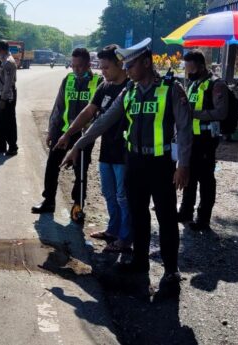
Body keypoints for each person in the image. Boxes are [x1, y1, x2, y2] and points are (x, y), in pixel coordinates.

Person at [61, 38, 192, 283]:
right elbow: (103, 121)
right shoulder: (129, 91)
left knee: (166, 217)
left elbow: (184, 129)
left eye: (131, 65)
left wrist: (183, 165)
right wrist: (77, 145)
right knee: (138, 214)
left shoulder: (171, 88)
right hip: (134, 162)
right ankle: (140, 261)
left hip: (161, 163)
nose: (128, 69)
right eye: (126, 65)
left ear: (146, 62)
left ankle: (171, 270)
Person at [55, 44, 131, 251]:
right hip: (107, 150)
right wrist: (68, 134)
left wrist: (78, 143)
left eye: (106, 68)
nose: (102, 72)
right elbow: (89, 112)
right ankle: (113, 230)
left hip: (125, 153)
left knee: (123, 196)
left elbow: (101, 121)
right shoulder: (105, 86)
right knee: (108, 192)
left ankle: (125, 239)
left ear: (120, 64)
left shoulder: (130, 88)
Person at [31, 48, 103, 224]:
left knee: (81, 171)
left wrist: (90, 133)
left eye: (80, 66)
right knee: (52, 165)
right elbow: (58, 107)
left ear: (88, 64)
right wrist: (51, 130)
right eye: (73, 66)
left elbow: (100, 113)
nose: (76, 69)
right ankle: (48, 201)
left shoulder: (99, 82)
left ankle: (77, 206)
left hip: (84, 135)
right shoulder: (68, 80)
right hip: (63, 132)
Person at [177, 50, 229, 232]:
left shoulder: (216, 85)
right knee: (188, 176)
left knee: (206, 179)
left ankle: (203, 218)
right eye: (187, 69)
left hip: (207, 139)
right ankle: (185, 212)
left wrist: (194, 113)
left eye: (191, 69)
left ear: (200, 66)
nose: (188, 73)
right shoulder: (193, 84)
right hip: (191, 138)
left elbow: (221, 112)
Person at [0, 41, 18, 156]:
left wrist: (3, 99)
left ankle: (12, 147)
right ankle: (1, 145)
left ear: (1, 49)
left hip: (6, 97)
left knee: (9, 122)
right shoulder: (3, 60)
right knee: (0, 121)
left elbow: (8, 83)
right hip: (1, 95)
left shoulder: (8, 62)